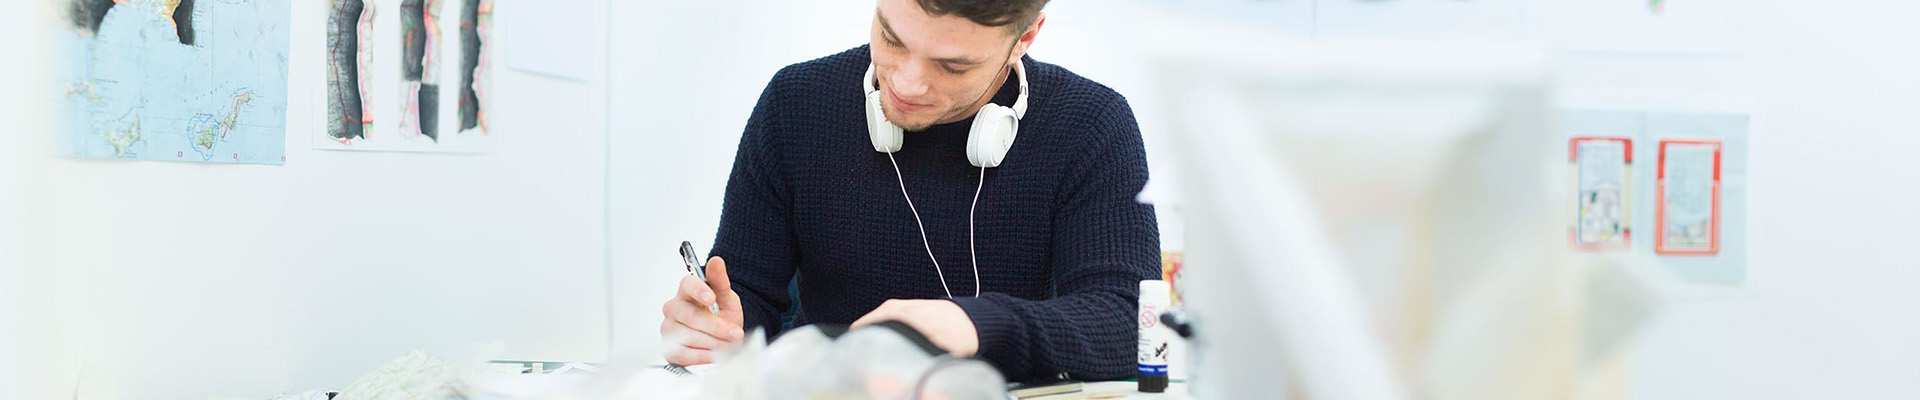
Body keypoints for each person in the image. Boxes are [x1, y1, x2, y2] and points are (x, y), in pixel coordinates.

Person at [659, 0, 1159, 381]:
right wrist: (715, 331)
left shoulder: (1092, 124)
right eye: (892, 38)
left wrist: (974, 325)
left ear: (1025, 37)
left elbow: (1130, 323)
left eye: (952, 66)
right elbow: (746, 300)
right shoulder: (796, 105)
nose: (907, 82)